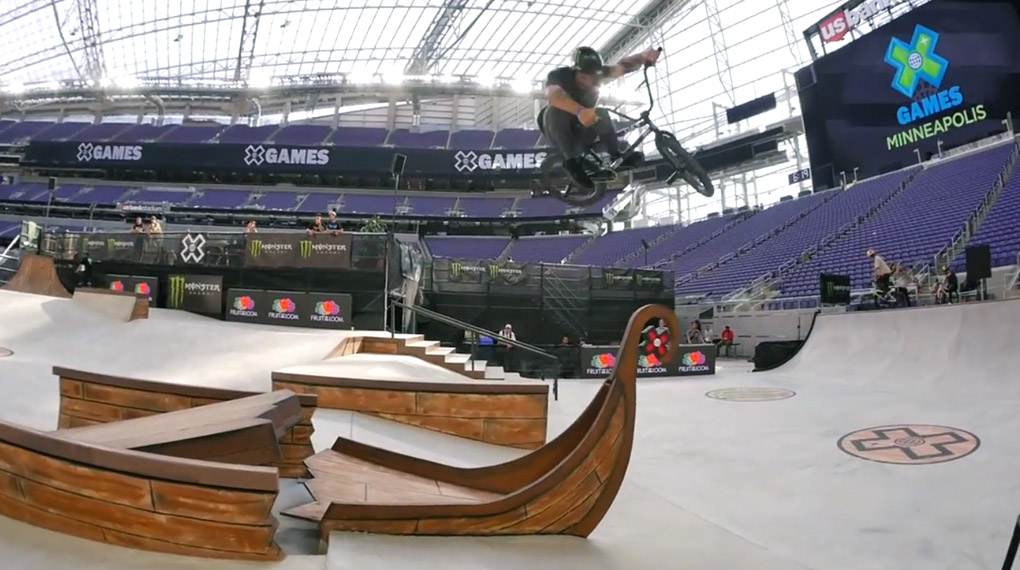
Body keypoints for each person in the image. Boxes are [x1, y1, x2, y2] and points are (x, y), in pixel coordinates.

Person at [539, 47, 662, 189]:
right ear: (574, 71)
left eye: (592, 78)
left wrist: (643, 56)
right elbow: (555, 96)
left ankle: (617, 155)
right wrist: (579, 111)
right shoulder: (559, 76)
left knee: (602, 112)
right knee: (552, 110)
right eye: (583, 77)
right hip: (558, 132)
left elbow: (623, 66)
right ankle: (571, 163)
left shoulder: (601, 75)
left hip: (583, 132)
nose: (587, 82)